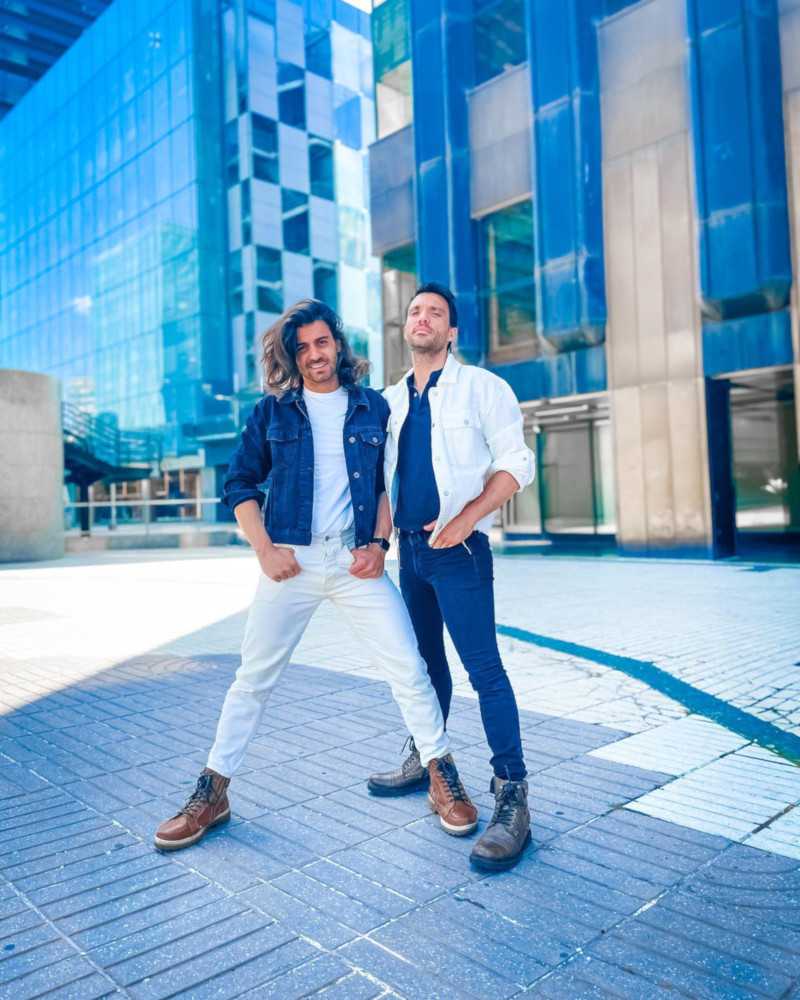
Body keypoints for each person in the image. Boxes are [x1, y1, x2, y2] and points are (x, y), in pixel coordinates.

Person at [154, 299, 475, 852]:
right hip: (291, 562)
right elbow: (240, 485)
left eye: (321, 342)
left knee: (409, 667)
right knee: (252, 679)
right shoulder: (273, 413)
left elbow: (383, 485)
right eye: (300, 348)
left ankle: (441, 775)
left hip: (355, 563)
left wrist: (378, 543)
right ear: (291, 355)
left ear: (338, 345)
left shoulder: (373, 408)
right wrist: (263, 550)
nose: (312, 355)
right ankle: (213, 792)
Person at [367, 282, 536, 872]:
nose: (423, 317)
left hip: (457, 554)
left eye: (435, 312)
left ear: (451, 332)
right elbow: (381, 483)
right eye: (415, 310)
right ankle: (428, 761)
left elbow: (517, 463)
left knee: (483, 669)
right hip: (408, 555)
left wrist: (467, 518)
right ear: (406, 326)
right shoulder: (387, 402)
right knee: (423, 668)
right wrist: (380, 543)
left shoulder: (483, 388)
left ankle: (512, 796)